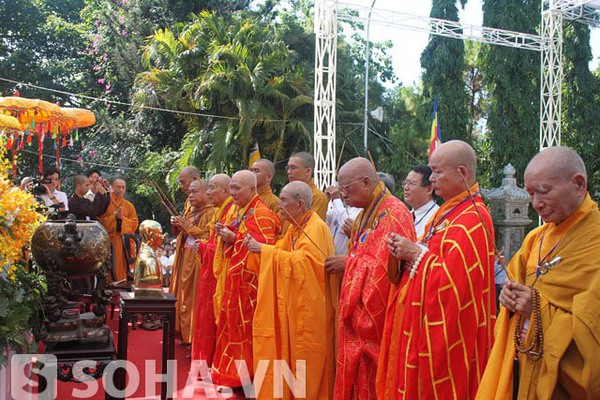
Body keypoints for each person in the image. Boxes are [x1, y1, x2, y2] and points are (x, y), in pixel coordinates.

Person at [476, 146, 600, 400]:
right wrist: (508, 300)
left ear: (578, 184)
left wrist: (536, 310)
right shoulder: (535, 238)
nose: (535, 204)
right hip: (522, 367)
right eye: (531, 194)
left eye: (543, 192)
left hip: (563, 386)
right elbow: (513, 287)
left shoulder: (595, 241)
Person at [383, 140, 496, 399]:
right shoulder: (448, 212)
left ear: (462, 173)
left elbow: (456, 285)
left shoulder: (473, 219)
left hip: (451, 336)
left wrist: (415, 253)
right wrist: (405, 251)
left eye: (437, 172)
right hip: (420, 325)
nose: (431, 179)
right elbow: (430, 255)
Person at [325, 157, 414, 400]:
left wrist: (349, 264)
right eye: (340, 189)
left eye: (347, 188)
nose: (343, 196)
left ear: (366, 182)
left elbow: (390, 273)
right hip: (354, 319)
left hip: (375, 324)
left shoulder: (394, 214)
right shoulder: (366, 214)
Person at [245, 181, 336, 399]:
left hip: (311, 309)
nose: (280, 205)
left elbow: (307, 263)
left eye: (284, 201)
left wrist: (264, 251)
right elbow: (282, 251)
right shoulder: (297, 226)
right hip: (296, 304)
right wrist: (261, 250)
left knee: (306, 357)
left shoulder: (316, 227)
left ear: (300, 204)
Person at [211, 170, 281, 389]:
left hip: (251, 290)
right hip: (235, 284)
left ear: (252, 189)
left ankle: (248, 379)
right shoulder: (241, 211)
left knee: (247, 335)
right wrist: (228, 234)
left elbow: (266, 252)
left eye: (236, 188)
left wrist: (235, 238)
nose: (232, 193)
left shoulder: (262, 214)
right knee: (230, 330)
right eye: (230, 188)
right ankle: (231, 376)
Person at [191, 173, 234, 367]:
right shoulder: (221, 211)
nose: (208, 193)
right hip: (210, 270)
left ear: (226, 191)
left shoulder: (231, 211)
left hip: (221, 275)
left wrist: (202, 246)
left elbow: (227, 249)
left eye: (212, 188)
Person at [98, 177, 139, 282]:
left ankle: (122, 285)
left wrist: (122, 220)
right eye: (118, 187)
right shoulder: (105, 202)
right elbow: (99, 221)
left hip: (122, 241)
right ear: (112, 187)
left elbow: (134, 223)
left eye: (123, 187)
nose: (120, 190)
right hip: (108, 239)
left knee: (122, 266)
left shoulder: (129, 206)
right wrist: (114, 217)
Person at [286, 151, 328, 220]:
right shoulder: (287, 194)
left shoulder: (318, 197)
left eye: (293, 168)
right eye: (288, 168)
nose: (289, 172)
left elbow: (312, 225)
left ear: (308, 171)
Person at [403, 164, 439, 238]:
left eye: (412, 183)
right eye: (405, 183)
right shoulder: (407, 216)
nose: (406, 187)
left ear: (429, 189)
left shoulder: (437, 218)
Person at [325, 185, 361, 256]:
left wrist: (336, 200)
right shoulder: (342, 208)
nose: (343, 193)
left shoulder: (359, 211)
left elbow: (345, 224)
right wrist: (325, 201)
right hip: (330, 257)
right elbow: (324, 220)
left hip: (343, 261)